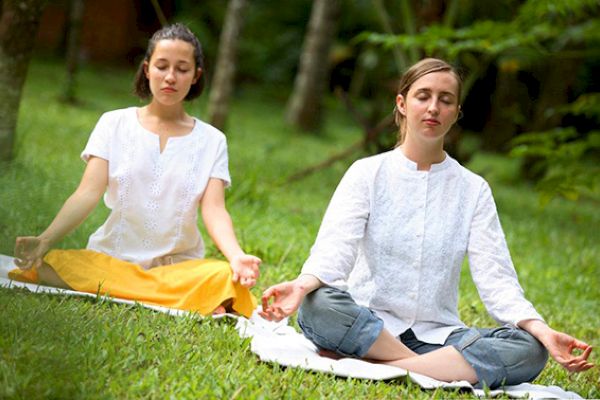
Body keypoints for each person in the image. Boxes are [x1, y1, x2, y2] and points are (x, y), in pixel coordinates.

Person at [260, 58, 594, 388]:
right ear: (402, 104)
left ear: (456, 112)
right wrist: (302, 286)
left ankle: (391, 365)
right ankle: (423, 366)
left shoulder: (473, 190)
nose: (433, 107)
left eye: (445, 100)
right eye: (423, 96)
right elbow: (334, 250)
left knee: (529, 350)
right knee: (318, 306)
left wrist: (542, 331)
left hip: (440, 337)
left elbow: (498, 281)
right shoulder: (367, 173)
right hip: (369, 325)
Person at [11, 23, 260, 317]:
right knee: (52, 263)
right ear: (146, 69)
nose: (170, 77)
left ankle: (178, 293)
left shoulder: (212, 140)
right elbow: (87, 193)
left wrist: (236, 256)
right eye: (162, 66)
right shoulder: (113, 123)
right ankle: (190, 300)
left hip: (177, 270)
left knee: (221, 277)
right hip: (110, 261)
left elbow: (215, 210)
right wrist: (45, 239)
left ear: (196, 76)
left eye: (182, 69)